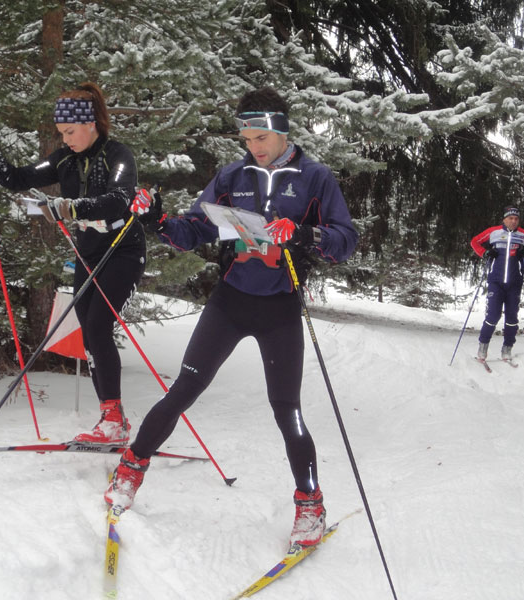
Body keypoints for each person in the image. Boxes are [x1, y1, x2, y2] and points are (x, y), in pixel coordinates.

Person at [104, 86, 358, 548]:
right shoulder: (232, 175)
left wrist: (303, 234)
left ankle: (310, 503)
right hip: (231, 301)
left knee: (288, 411)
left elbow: (346, 239)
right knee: (184, 388)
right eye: (247, 138)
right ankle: (130, 469)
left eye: (261, 136)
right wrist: (157, 220)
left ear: (282, 131)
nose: (254, 146)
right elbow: (195, 229)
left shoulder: (314, 177)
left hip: (280, 306)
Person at [0, 82, 148, 444]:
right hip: (88, 253)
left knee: (97, 325)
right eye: (61, 133)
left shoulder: (118, 155)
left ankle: (113, 420)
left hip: (123, 250)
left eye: (70, 131)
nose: (66, 139)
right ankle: (111, 418)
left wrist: (70, 207)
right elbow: (18, 178)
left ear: (91, 123)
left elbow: (118, 200)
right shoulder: (64, 159)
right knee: (90, 333)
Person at [470, 206, 524, 362]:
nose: (513, 221)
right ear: (504, 219)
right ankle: (483, 346)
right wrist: (486, 252)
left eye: (516, 218)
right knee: (492, 316)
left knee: (512, 318)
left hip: (515, 282)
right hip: (496, 281)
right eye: (510, 218)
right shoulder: (493, 232)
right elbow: (474, 242)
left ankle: (507, 348)